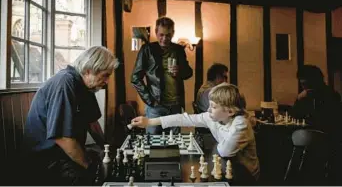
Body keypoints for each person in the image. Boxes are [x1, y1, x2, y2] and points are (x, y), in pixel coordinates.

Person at [22, 46, 119, 185]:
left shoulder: (87, 86)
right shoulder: (64, 83)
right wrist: (90, 168)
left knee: (107, 165)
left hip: (63, 153)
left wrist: (107, 149)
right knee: (93, 178)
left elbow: (93, 123)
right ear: (88, 70)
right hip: (48, 158)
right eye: (105, 75)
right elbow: (62, 138)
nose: (107, 81)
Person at [130, 83, 260, 184]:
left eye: (214, 107)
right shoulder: (214, 117)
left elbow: (225, 151)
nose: (208, 110)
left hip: (245, 176)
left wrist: (216, 136)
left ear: (230, 111)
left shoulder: (241, 124)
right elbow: (183, 118)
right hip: (226, 167)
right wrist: (149, 121)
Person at [131, 16, 193, 134]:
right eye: (161, 35)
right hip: (155, 105)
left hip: (175, 106)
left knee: (174, 142)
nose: (164, 38)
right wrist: (150, 100)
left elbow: (188, 73)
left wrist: (180, 71)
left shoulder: (179, 49)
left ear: (173, 33)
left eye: (168, 35)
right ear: (156, 32)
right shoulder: (147, 49)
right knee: (152, 142)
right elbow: (135, 78)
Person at [290, 64, 341, 135]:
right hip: (307, 133)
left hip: (325, 135)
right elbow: (294, 116)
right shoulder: (304, 96)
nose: (305, 88)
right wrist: (298, 99)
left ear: (317, 81)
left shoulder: (330, 95)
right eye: (302, 84)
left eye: (307, 84)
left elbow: (327, 121)